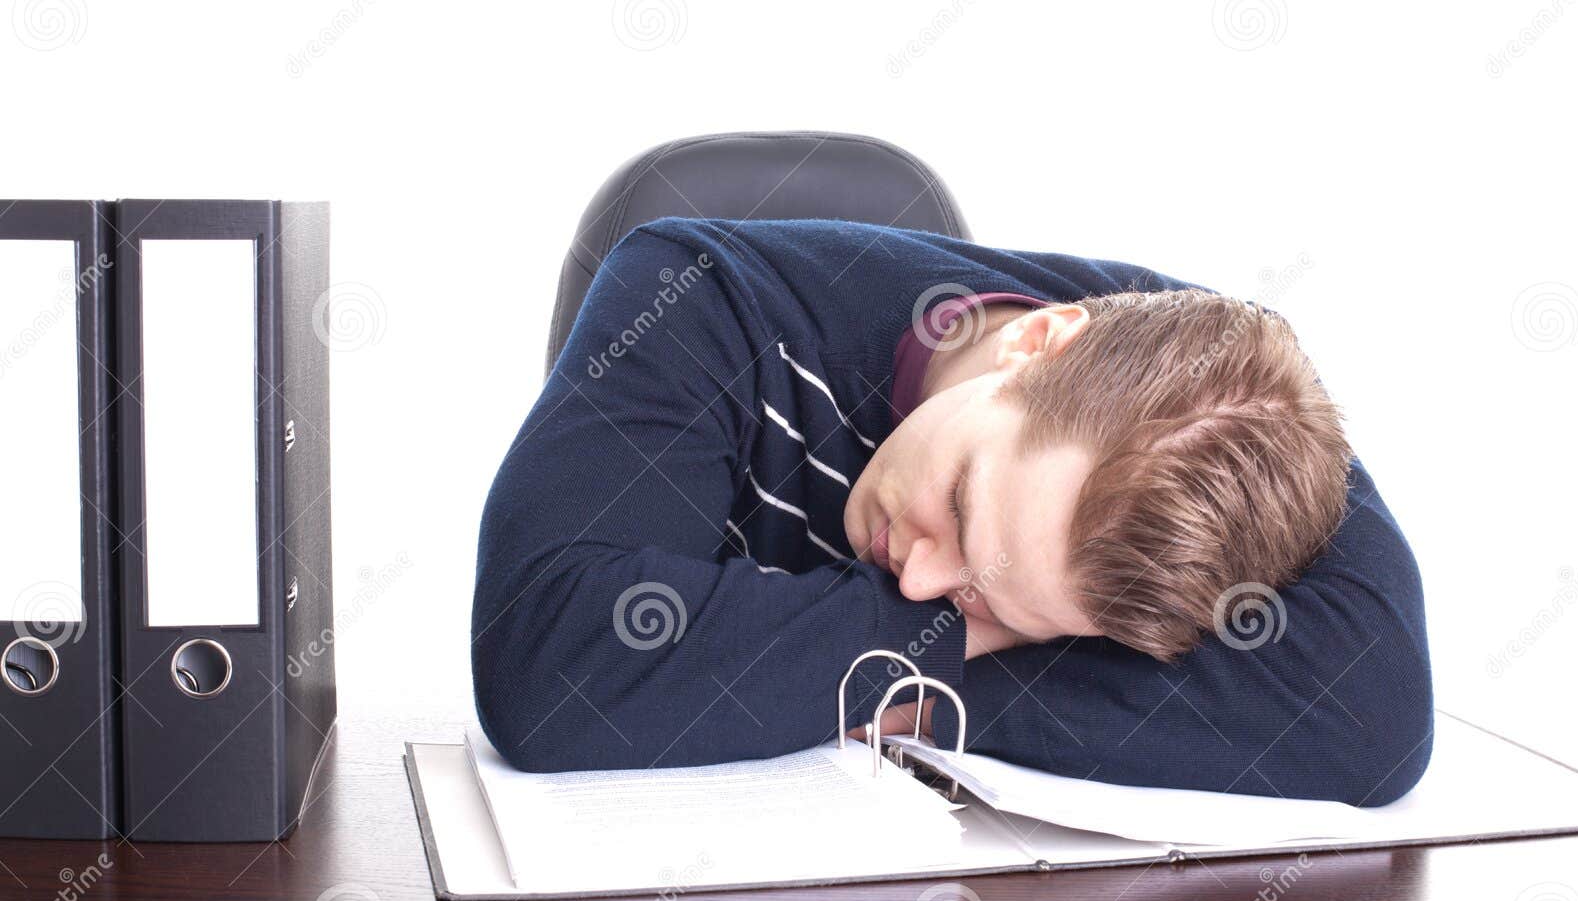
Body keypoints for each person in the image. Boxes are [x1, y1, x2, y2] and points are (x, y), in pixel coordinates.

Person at [470, 218, 1432, 805]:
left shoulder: (1229, 433)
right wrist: (950, 649)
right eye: (964, 509)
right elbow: (556, 666)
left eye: (997, 614)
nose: (920, 585)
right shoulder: (694, 292)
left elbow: (1372, 715)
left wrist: (894, 679)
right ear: (1041, 344)